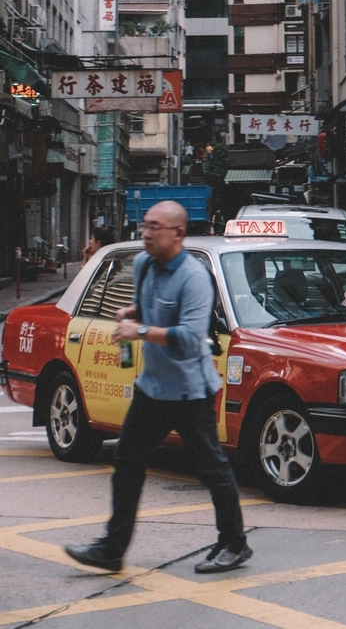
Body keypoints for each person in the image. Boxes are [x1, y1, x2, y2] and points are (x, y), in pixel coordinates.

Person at [65, 200, 252, 574]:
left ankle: (234, 544)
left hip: (189, 391)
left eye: (154, 227)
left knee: (212, 468)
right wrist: (133, 313)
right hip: (152, 387)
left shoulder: (194, 277)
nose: (145, 233)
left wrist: (140, 330)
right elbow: (149, 307)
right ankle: (112, 549)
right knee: (127, 462)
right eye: (144, 225)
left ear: (178, 233)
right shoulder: (143, 264)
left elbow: (190, 337)